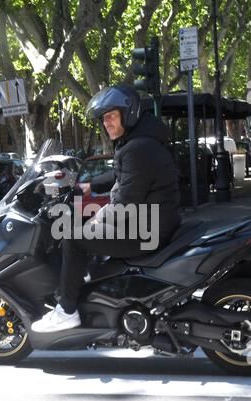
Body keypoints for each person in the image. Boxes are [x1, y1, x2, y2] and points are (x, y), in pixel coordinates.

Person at [32, 85, 181, 333]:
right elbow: (122, 175)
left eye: (111, 116)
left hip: (147, 230)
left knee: (73, 238)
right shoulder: (140, 142)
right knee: (87, 232)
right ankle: (90, 284)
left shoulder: (138, 147)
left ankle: (67, 310)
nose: (106, 123)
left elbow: (124, 204)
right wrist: (88, 186)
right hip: (153, 222)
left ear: (129, 113)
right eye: (103, 119)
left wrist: (97, 218)